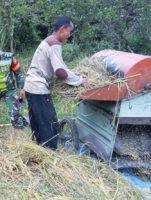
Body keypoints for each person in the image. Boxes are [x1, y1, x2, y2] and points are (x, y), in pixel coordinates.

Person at [24, 16, 90, 149]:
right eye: (69, 31)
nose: (69, 35)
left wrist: (76, 75)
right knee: (50, 125)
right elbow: (61, 73)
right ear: (62, 29)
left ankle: (37, 149)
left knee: (37, 123)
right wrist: (80, 81)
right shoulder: (54, 45)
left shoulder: (47, 40)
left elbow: (61, 68)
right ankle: (50, 154)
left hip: (30, 87)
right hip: (38, 88)